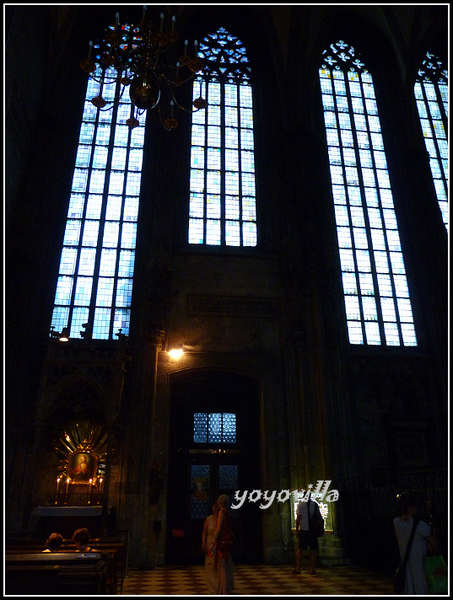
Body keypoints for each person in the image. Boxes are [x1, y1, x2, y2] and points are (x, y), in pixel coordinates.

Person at [393, 492, 438, 595]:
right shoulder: (421, 526)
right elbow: (435, 546)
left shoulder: (396, 523)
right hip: (421, 566)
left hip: (405, 566)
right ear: (412, 507)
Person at [213, 494, 234, 594]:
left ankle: (224, 592)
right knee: (223, 567)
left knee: (222, 569)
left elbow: (218, 528)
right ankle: (222, 591)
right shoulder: (228, 513)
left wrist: (214, 540)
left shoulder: (221, 513)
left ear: (219, 503)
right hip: (227, 541)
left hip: (222, 541)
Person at [293, 497, 319, 575]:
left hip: (304, 530)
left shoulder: (301, 505)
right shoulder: (314, 504)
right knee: (313, 549)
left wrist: (297, 530)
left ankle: (298, 568)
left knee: (300, 549)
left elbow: (298, 519)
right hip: (313, 530)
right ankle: (311, 569)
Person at [201, 502, 220, 594]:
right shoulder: (208, 519)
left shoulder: (221, 518)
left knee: (219, 564)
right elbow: (204, 532)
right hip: (210, 543)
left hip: (218, 543)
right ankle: (213, 586)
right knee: (210, 564)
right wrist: (203, 542)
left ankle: (220, 586)